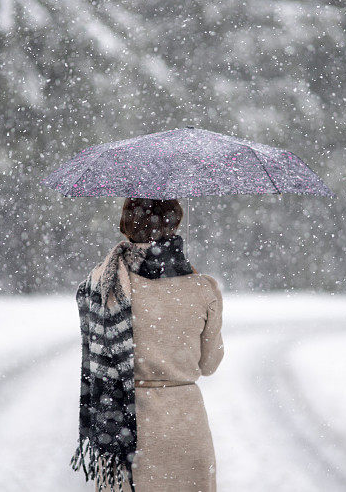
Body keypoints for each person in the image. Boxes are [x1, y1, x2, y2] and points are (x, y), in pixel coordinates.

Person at [71, 197, 224, 492]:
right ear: (175, 224)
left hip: (125, 429)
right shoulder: (202, 289)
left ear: (126, 227)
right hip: (185, 428)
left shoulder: (105, 284)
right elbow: (209, 364)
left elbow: (95, 351)